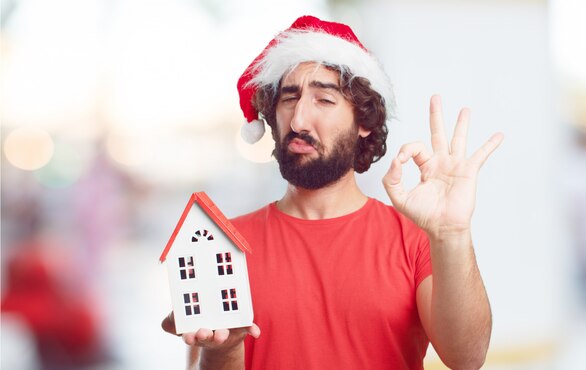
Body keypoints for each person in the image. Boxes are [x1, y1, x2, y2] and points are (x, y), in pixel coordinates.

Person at [162, 15, 503, 370]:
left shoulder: (416, 239)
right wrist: (223, 349)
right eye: (288, 99)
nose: (298, 121)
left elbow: (467, 358)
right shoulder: (223, 244)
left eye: (324, 100)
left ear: (365, 123)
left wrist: (452, 234)